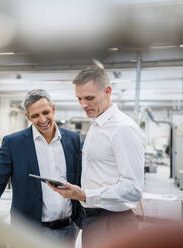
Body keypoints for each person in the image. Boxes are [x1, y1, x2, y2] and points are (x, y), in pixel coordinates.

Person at [49, 66, 145, 247]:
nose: (83, 104)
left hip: (113, 223)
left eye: (89, 98)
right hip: (94, 219)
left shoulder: (122, 128)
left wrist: (85, 194)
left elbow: (133, 188)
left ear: (107, 91)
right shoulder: (97, 125)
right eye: (79, 99)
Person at [0, 89, 82, 246]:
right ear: (27, 117)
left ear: (53, 109)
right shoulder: (14, 143)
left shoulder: (72, 139)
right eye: (35, 116)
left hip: (67, 231)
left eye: (45, 112)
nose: (42, 119)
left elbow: (79, 177)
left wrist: (80, 220)